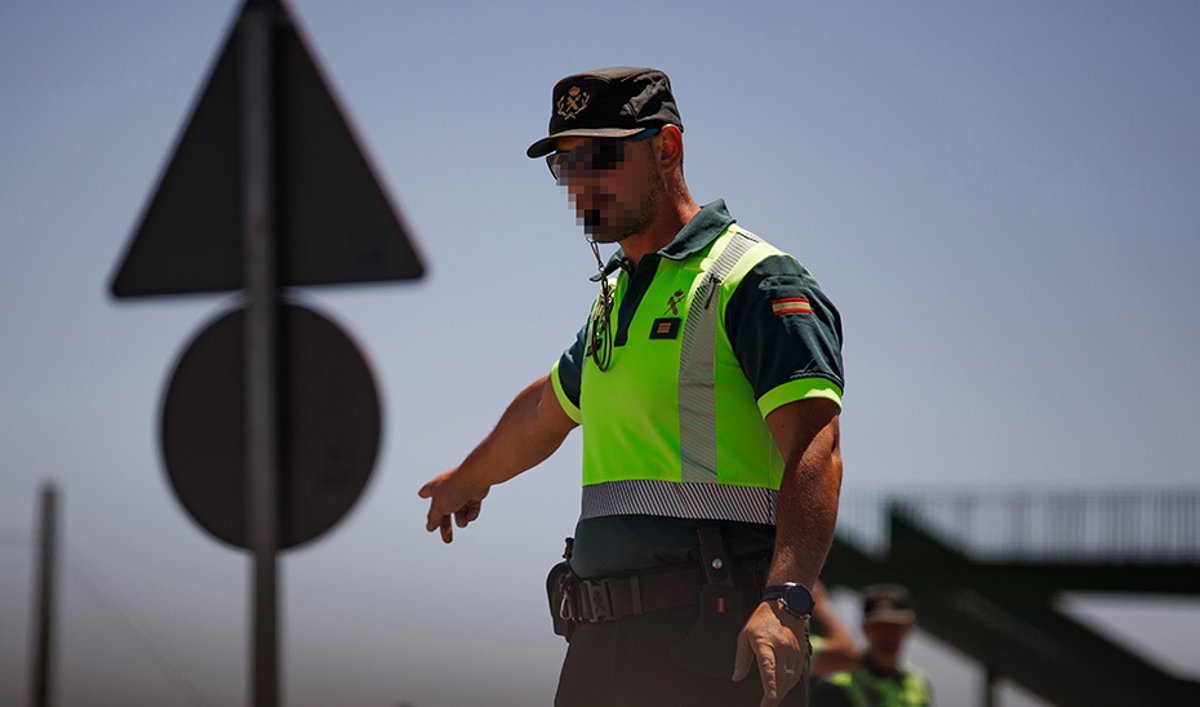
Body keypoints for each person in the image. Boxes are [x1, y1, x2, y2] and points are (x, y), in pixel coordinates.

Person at [419, 66, 845, 707]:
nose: (579, 184)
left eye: (598, 159)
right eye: (565, 165)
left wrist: (786, 601)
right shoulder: (615, 295)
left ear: (667, 147)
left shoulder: (756, 280)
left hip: (714, 640)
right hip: (602, 644)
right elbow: (545, 409)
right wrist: (468, 477)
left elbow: (817, 446)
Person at [811, 585, 933, 707]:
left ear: (910, 627)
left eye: (896, 626)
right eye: (880, 626)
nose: (888, 634)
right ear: (864, 628)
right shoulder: (837, 685)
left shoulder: (919, 682)